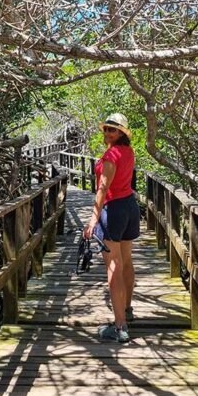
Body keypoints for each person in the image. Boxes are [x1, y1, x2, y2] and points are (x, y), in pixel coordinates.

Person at [83, 113, 140, 343]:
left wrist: (93, 219)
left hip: (114, 210)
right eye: (106, 129)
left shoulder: (110, 155)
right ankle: (126, 310)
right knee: (126, 261)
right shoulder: (128, 151)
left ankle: (120, 327)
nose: (108, 133)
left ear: (122, 133)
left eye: (113, 130)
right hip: (129, 208)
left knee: (114, 267)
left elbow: (102, 189)